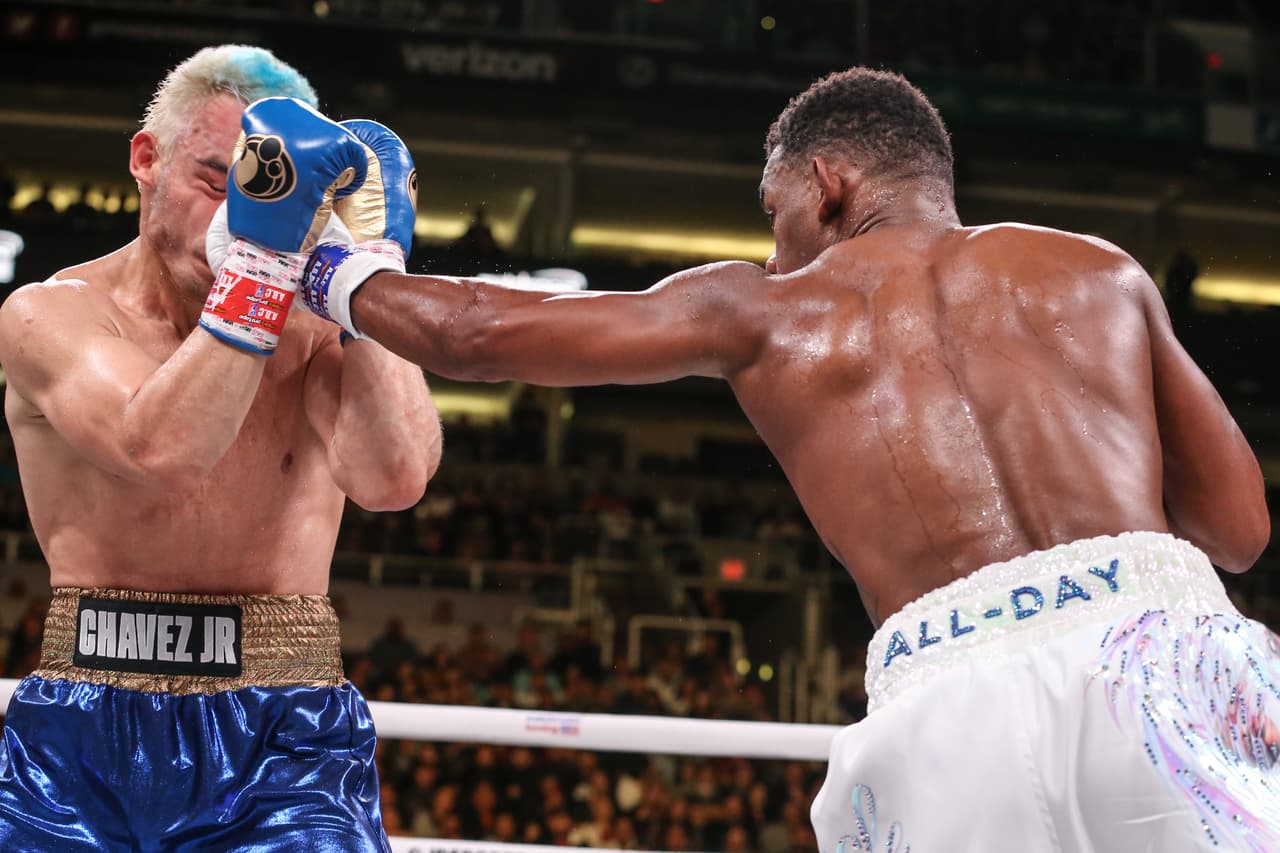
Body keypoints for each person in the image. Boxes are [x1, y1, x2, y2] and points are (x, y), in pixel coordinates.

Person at [306, 67, 1276, 849]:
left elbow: (478, 333)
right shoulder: (1101, 270)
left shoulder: (766, 309)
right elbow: (1237, 531)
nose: (772, 254)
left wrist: (328, 269)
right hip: (1165, 650)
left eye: (772, 216)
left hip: (953, 695)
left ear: (825, 184)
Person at [0, 46, 441, 851]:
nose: (236, 219)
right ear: (146, 157)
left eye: (268, 195)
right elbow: (163, 448)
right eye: (218, 182)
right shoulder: (50, 315)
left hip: (287, 734)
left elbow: (395, 476)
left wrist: (370, 280)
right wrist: (264, 264)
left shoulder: (314, 329)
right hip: (82, 730)